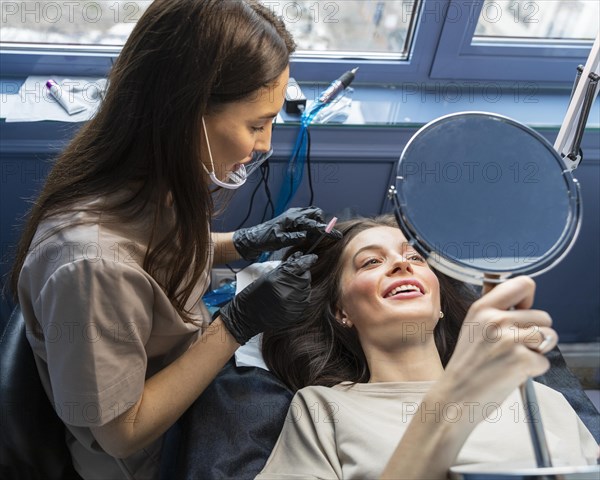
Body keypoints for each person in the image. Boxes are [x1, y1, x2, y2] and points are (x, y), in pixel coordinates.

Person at [9, 1, 340, 479]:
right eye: (255, 124)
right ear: (188, 113)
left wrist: (244, 242)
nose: (265, 144)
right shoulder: (88, 266)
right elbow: (123, 431)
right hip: (146, 456)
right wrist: (236, 324)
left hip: (194, 398)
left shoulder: (144, 180)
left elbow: (146, 259)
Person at [258, 215, 598, 479]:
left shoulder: (541, 400)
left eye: (417, 258)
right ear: (341, 311)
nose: (402, 264)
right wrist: (453, 398)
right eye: (371, 262)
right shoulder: (322, 408)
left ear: (439, 303)